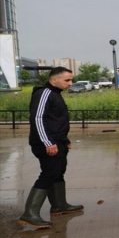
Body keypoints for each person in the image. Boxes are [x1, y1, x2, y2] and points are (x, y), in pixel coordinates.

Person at [19, 67, 83, 229]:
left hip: (57, 141)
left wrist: (64, 140)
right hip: (46, 142)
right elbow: (38, 119)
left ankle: (59, 205)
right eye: (67, 80)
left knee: (58, 171)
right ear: (54, 80)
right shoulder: (44, 93)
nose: (70, 83)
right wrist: (48, 142)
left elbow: (55, 121)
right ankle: (30, 214)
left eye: (71, 80)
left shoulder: (55, 94)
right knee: (48, 173)